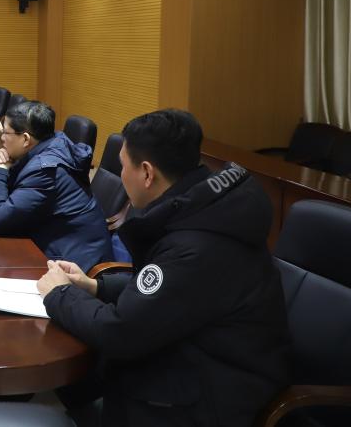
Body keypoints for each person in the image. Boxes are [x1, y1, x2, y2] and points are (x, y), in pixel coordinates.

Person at [37, 109, 289, 426]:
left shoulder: (196, 245)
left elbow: (121, 332)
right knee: (72, 381)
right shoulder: (199, 208)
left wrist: (60, 294)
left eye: (122, 165)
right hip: (189, 353)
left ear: (147, 173)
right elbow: (168, 290)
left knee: (77, 371)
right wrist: (96, 287)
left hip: (209, 397)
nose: (119, 173)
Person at [0, 100, 111, 272]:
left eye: (6, 132)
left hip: (75, 266)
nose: (2, 138)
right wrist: (2, 167)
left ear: (25, 139)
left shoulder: (44, 170)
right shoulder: (51, 144)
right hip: (52, 245)